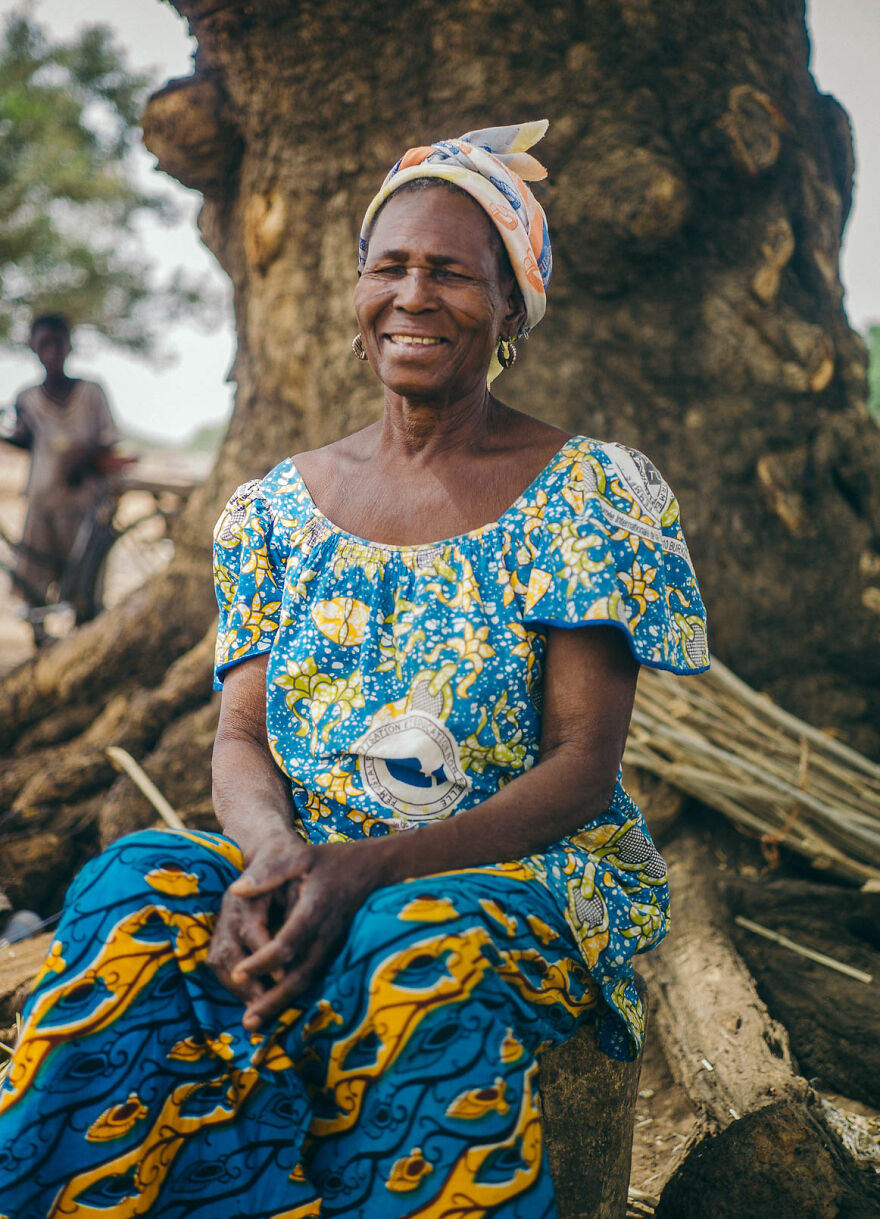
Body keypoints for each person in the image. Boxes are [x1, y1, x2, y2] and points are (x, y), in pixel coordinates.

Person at [0, 122, 709, 1218]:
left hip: (520, 875)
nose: (412, 295)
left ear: (512, 306)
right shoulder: (275, 510)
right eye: (391, 266)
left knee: (403, 944)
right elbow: (237, 739)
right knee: (137, 884)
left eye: (452, 273)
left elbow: (581, 765)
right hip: (314, 863)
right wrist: (275, 857)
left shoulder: (584, 495)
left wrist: (368, 870)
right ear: (358, 290)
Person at [3, 313, 118, 641]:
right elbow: (25, 439)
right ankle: (42, 641)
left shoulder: (91, 393)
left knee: (86, 582)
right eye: (44, 345)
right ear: (34, 349)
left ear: (69, 347)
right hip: (42, 502)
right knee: (33, 578)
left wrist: (84, 459)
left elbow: (108, 441)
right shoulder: (27, 399)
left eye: (57, 344)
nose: (51, 352)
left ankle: (84, 637)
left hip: (84, 503)